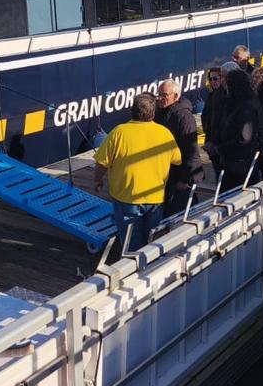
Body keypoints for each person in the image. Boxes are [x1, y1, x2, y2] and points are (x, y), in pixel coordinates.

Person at [93, 93, 181, 252]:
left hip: (127, 199)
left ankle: (134, 270)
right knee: (152, 243)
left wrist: (98, 180)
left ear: (131, 111)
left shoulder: (119, 132)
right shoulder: (164, 133)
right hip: (155, 199)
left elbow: (101, 163)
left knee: (131, 245)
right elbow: (177, 160)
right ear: (153, 113)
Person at [155, 78, 203, 215]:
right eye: (158, 95)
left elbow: (191, 149)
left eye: (164, 95)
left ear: (176, 96)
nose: (160, 99)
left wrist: (186, 179)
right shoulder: (161, 113)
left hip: (179, 173)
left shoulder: (184, 117)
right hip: (166, 172)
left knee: (181, 209)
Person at [216, 69, 263, 190]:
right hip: (235, 161)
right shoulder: (236, 102)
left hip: (241, 163)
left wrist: (221, 148)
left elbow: (244, 138)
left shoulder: (246, 106)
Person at [201, 67, 228, 180]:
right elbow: (205, 115)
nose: (213, 82)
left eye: (215, 78)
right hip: (211, 141)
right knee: (217, 172)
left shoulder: (225, 96)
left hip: (220, 143)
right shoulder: (212, 95)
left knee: (223, 174)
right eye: (210, 79)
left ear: (222, 79)